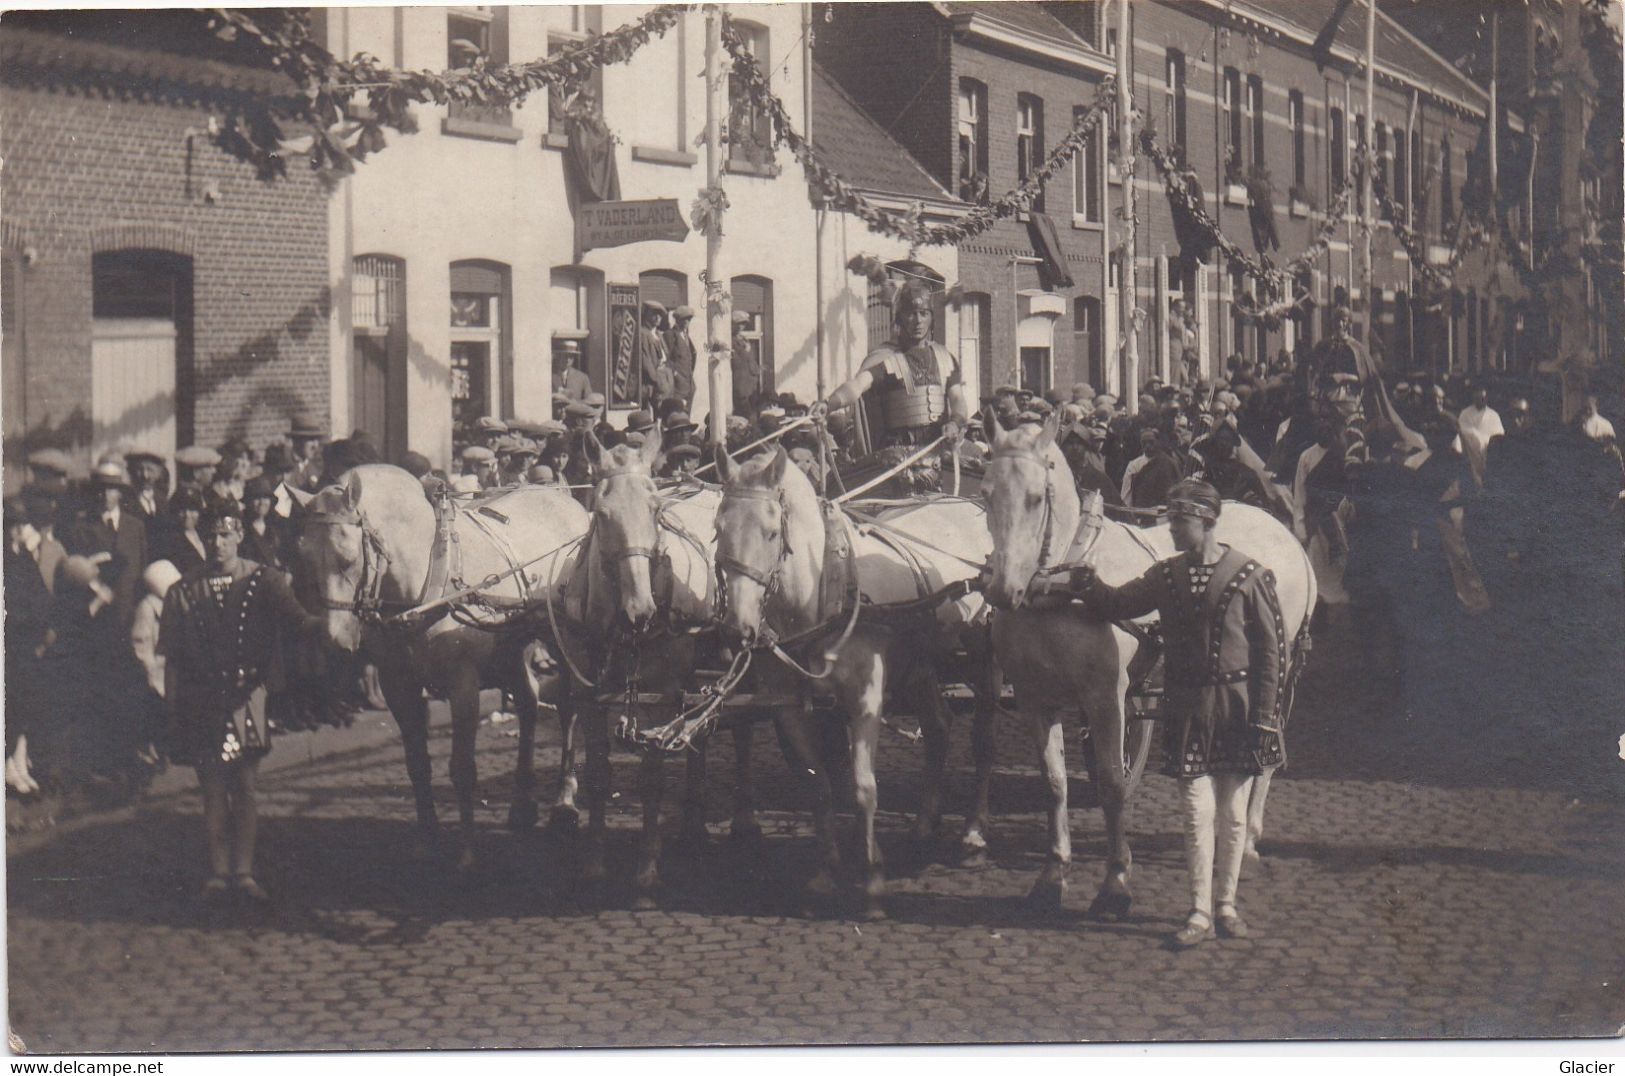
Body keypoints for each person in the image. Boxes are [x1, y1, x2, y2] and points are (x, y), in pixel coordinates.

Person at [1066, 479, 1285, 948]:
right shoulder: (1165, 576)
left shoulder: (1250, 575)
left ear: (1205, 521)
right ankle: (1200, 912)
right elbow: (1119, 603)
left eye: (1179, 521)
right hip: (1187, 710)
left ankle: (1226, 904)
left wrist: (1266, 717)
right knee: (1194, 812)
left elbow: (1272, 653)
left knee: (1232, 814)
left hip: (1238, 709)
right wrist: (1087, 583)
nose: (1171, 530)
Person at [159, 503, 327, 900]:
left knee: (246, 785)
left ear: (238, 537)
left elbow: (298, 621)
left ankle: (244, 871)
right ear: (202, 539)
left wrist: (332, 622)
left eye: (225, 535)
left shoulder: (263, 580)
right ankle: (219, 872)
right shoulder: (182, 591)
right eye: (210, 536)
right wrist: (170, 708)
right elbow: (172, 658)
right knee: (213, 787)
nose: (218, 543)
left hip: (247, 700)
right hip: (201, 701)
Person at [812, 282, 968, 492]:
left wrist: (956, 422)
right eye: (911, 314)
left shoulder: (945, 358)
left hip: (939, 454)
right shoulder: (887, 360)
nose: (918, 320)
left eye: (923, 313)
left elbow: (957, 399)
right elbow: (857, 385)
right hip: (897, 463)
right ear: (900, 317)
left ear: (932, 317)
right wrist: (828, 404)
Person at [67, 458, 148, 627]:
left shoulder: (135, 526)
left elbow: (141, 570)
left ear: (120, 493)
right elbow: (76, 577)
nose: (105, 495)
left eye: (111, 489)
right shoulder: (81, 528)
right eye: (100, 489)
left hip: (130, 616)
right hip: (97, 619)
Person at [1456, 380, 1504, 489]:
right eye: (1477, 398)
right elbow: (1462, 431)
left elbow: (1499, 435)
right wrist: (1475, 436)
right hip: (1469, 452)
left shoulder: (1493, 415)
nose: (1480, 401)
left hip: (1487, 452)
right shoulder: (1465, 413)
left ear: (1486, 398)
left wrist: (1485, 441)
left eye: (1482, 398)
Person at [638, 300, 676, 409]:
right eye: (654, 314)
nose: (658, 317)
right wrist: (656, 380)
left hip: (665, 378)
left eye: (660, 315)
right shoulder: (643, 333)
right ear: (646, 315)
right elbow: (645, 359)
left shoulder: (659, 334)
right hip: (652, 382)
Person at [730, 310, 763, 418]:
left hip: (751, 384)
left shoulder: (743, 339)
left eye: (744, 324)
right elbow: (736, 361)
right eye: (739, 323)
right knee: (744, 414)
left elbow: (751, 360)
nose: (742, 326)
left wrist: (758, 370)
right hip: (741, 384)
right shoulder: (731, 340)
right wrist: (746, 351)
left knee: (754, 414)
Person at [665, 306, 698, 408]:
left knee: (686, 412)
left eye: (689, 319)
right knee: (677, 411)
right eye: (685, 319)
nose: (688, 321)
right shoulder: (670, 335)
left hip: (688, 381)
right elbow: (666, 358)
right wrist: (675, 374)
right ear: (678, 319)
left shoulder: (686, 336)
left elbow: (692, 355)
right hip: (677, 384)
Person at [552, 339, 592, 413]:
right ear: (558, 356)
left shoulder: (582, 378)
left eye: (571, 357)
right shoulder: (549, 376)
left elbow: (589, 401)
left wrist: (573, 403)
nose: (567, 360)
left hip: (576, 420)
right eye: (564, 356)